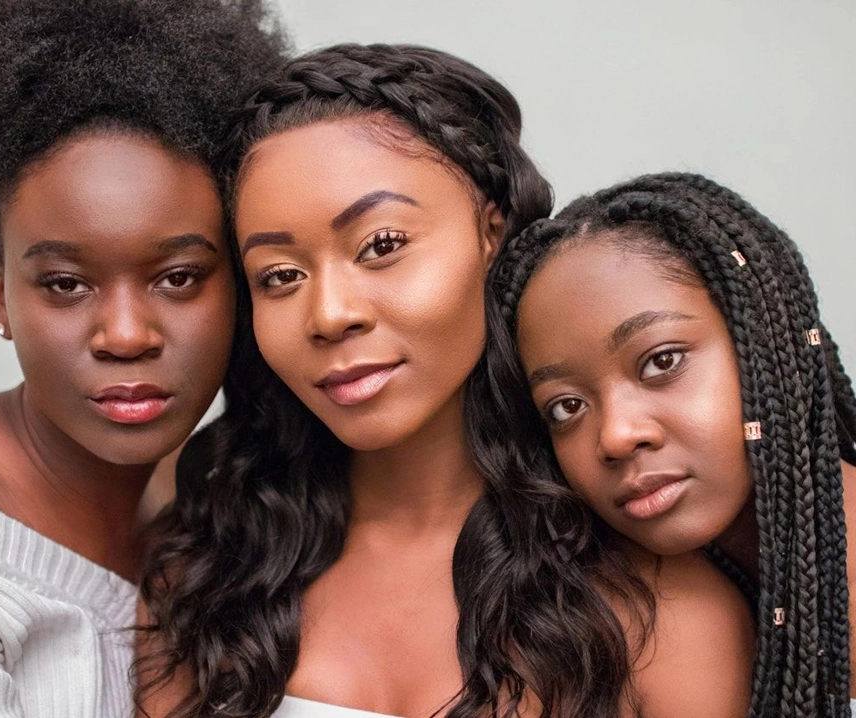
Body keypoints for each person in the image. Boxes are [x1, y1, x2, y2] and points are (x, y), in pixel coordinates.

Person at [139, 46, 754, 718]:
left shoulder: (662, 615)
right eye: (281, 276)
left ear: (489, 229)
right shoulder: (207, 566)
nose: (330, 315)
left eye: (381, 245)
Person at [0, 0, 284, 715]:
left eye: (179, 277)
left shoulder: (226, 507)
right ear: (1, 297)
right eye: (66, 284)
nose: (127, 334)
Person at [489, 171, 856, 717]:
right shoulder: (632, 610)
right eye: (566, 406)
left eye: (662, 362)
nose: (615, 436)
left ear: (765, 345)